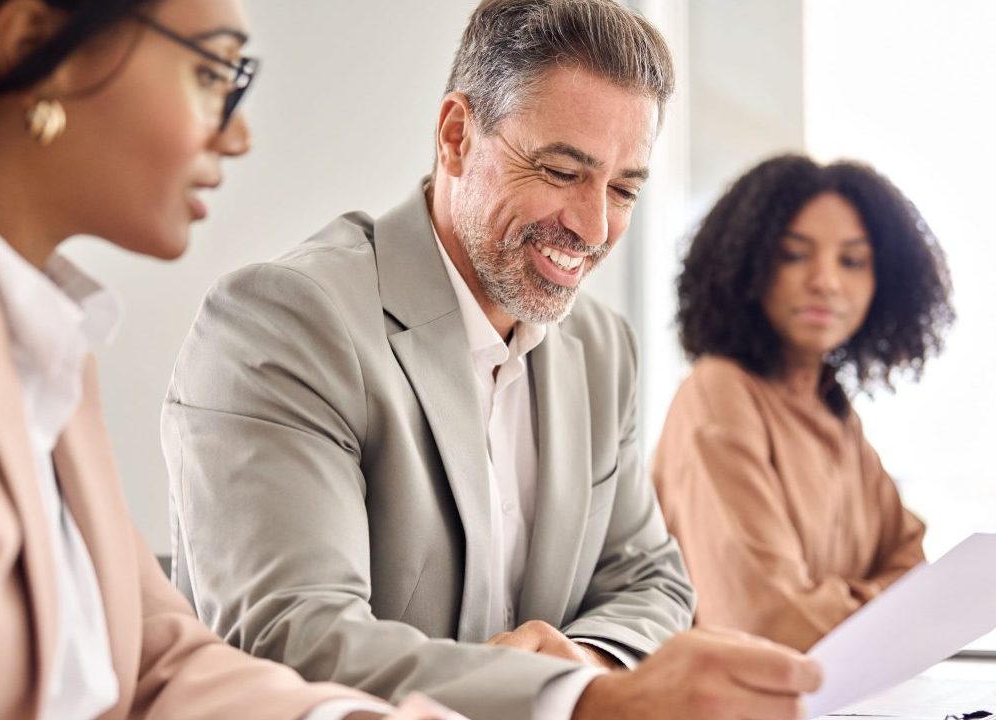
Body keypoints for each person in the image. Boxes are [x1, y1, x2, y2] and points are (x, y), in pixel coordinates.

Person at [162, 1, 821, 719]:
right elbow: (293, 641)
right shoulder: (286, 321)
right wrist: (578, 698)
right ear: (455, 137)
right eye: (563, 171)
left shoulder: (601, 348)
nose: (595, 226)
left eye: (625, 188)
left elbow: (653, 581)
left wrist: (588, 660)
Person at [0, 0, 456, 717]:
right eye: (211, 73)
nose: (237, 135)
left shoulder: (46, 344)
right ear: (34, 43)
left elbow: (152, 659)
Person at [652, 154, 954, 652]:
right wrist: (879, 604)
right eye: (794, 255)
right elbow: (767, 622)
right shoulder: (719, 394)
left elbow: (915, 573)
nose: (826, 281)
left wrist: (831, 602)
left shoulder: (835, 411)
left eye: (852, 261)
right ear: (749, 266)